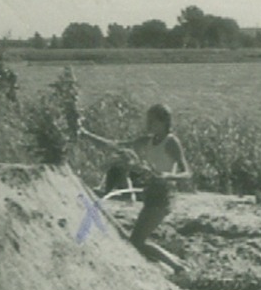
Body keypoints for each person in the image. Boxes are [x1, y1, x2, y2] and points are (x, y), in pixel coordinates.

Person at [80, 103, 190, 270]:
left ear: (164, 122)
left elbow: (187, 172)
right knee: (137, 240)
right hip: (151, 194)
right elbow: (116, 145)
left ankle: (178, 267)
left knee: (137, 241)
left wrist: (169, 176)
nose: (148, 125)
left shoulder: (171, 142)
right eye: (148, 121)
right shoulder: (148, 140)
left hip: (164, 195)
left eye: (152, 122)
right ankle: (173, 263)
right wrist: (86, 134)